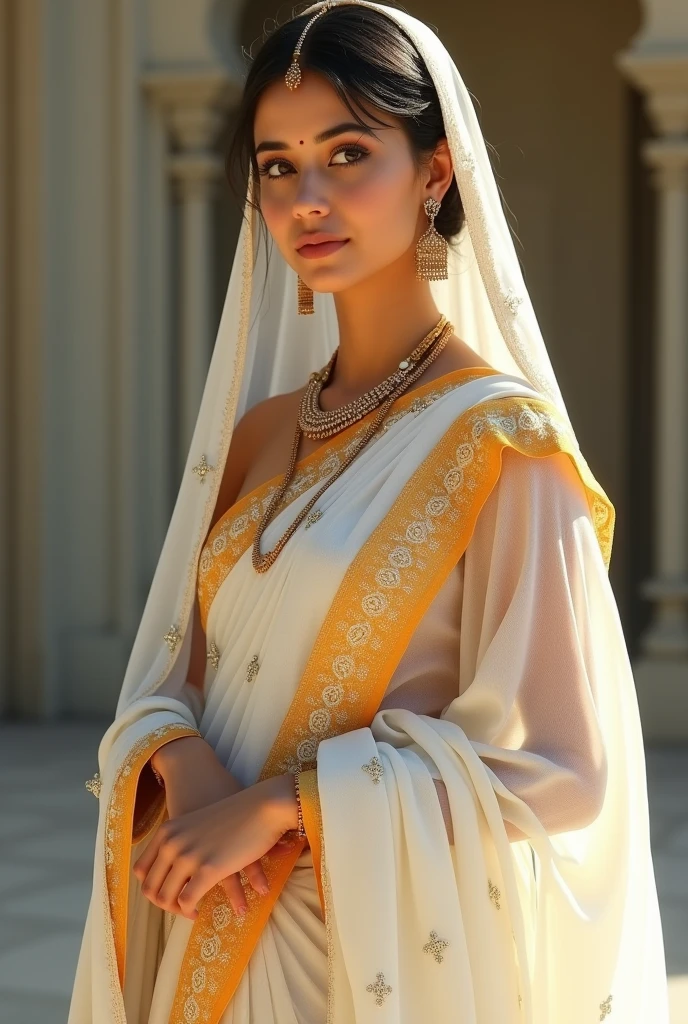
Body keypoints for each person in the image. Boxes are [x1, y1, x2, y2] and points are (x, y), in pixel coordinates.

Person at [68, 3, 669, 1022]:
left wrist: (280, 806)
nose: (308, 197)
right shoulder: (257, 434)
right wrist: (186, 766)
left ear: (434, 172)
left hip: (367, 956)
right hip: (207, 927)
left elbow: (567, 773)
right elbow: (177, 675)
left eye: (348, 153)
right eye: (275, 165)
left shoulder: (503, 448)